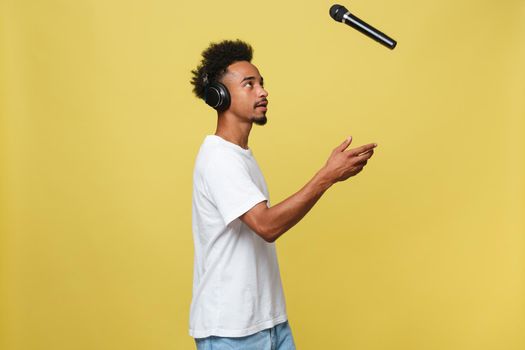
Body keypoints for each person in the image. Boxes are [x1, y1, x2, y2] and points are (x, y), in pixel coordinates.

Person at [189, 39, 377, 350]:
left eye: (261, 83)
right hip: (232, 332)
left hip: (270, 323)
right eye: (249, 84)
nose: (263, 92)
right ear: (219, 96)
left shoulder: (239, 156)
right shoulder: (218, 158)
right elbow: (266, 226)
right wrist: (326, 176)